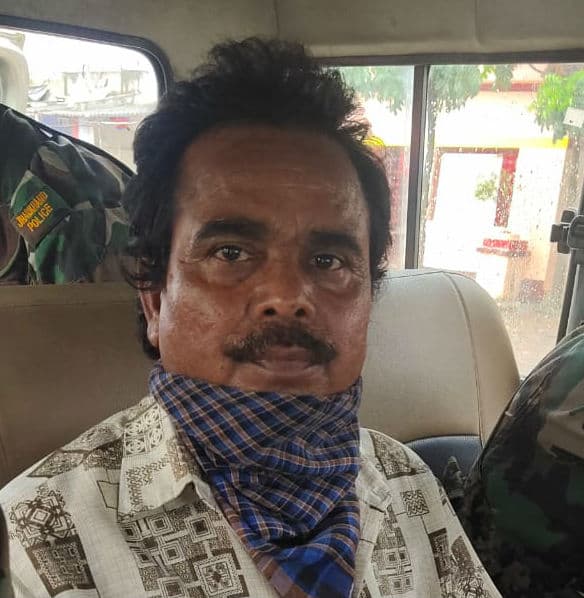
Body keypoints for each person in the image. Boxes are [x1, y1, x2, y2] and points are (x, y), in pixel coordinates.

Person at [0, 38, 500, 598]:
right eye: (231, 252)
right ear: (155, 300)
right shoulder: (31, 538)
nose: (287, 297)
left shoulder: (405, 480)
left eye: (328, 261)